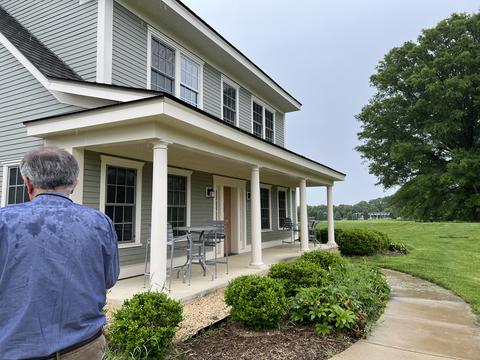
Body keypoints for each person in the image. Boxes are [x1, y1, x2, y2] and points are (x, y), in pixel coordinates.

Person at [0, 147, 119, 359]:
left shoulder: (4, 222)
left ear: (27, 182)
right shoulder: (100, 222)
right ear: (74, 184)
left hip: (16, 349)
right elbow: (108, 279)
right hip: (84, 348)